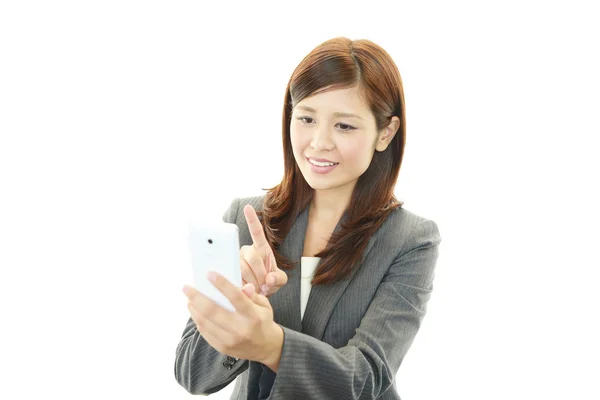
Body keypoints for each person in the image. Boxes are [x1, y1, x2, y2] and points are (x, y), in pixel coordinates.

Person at [175, 36, 441, 399]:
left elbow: (364, 378)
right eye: (306, 118)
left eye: (344, 126)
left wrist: (272, 346)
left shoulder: (410, 240)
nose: (318, 142)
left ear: (386, 132)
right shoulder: (247, 219)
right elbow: (193, 373)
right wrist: (237, 299)